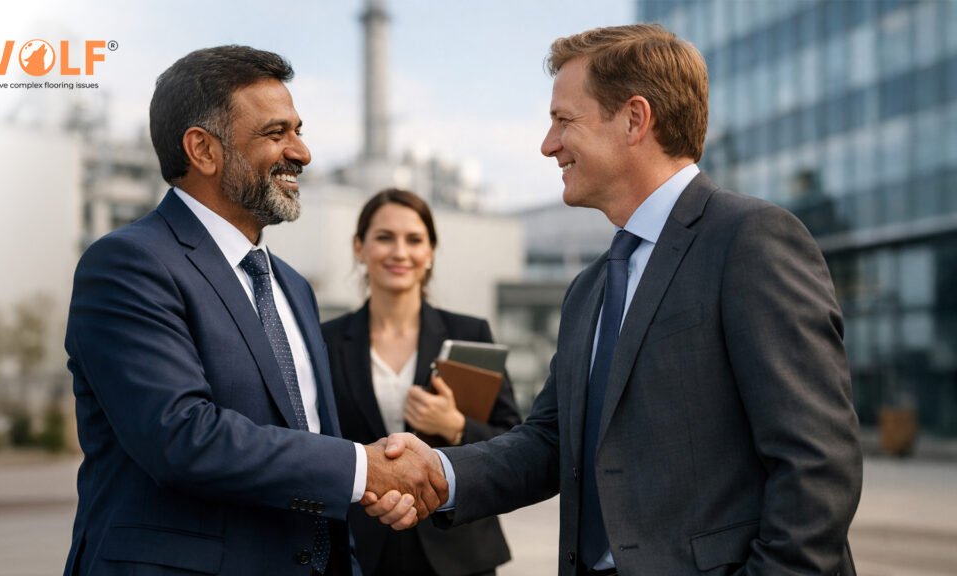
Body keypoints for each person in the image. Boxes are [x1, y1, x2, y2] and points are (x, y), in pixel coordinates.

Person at [366, 24, 863, 576]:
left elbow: (817, 464)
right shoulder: (590, 288)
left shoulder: (751, 240)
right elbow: (550, 440)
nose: (548, 144)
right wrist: (441, 473)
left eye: (564, 120)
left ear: (634, 119)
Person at [63, 46, 445, 576]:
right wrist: (363, 469)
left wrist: (359, 503)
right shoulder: (129, 264)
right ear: (203, 149)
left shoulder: (292, 286)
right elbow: (182, 438)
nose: (302, 152)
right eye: (276, 133)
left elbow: (313, 444)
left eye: (298, 130)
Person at [322, 189, 521, 576]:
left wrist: (455, 426)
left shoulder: (471, 334)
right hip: (360, 547)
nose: (400, 252)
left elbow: (514, 440)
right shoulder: (323, 340)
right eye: (384, 237)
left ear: (430, 252)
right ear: (359, 247)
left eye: (414, 240)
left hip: (458, 548)